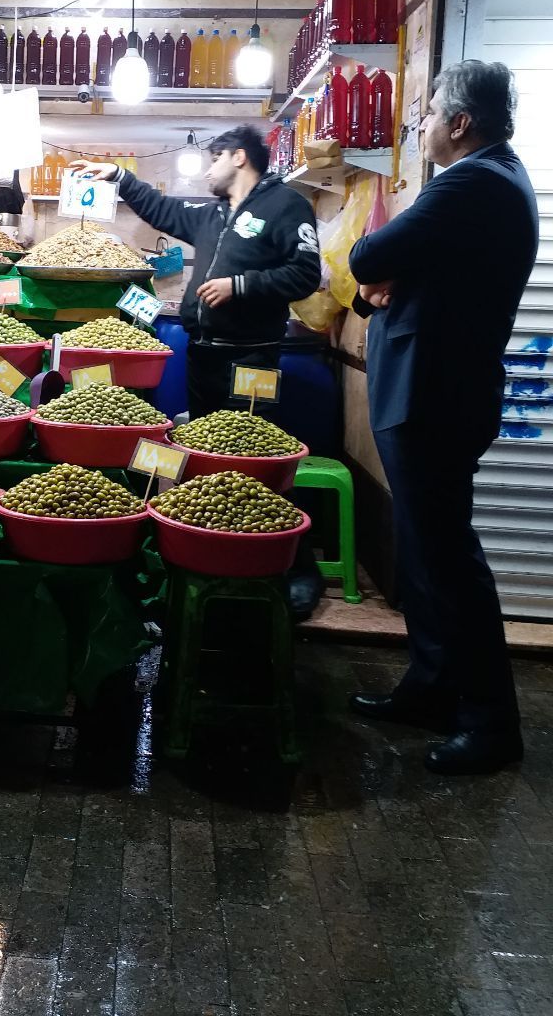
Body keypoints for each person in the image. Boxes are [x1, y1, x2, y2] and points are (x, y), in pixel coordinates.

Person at [349, 60, 538, 774]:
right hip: (431, 394)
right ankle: (432, 687)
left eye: (428, 113)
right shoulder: (492, 180)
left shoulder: (474, 182)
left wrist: (375, 275)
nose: (421, 125)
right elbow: (379, 280)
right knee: (426, 555)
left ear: (460, 123)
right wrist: (376, 285)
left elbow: (369, 254)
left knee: (450, 561)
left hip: (434, 398)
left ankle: (492, 723)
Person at [73, 125, 323, 616]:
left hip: (252, 359)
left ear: (238, 157)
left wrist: (240, 285)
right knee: (205, 462)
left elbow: (305, 273)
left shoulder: (286, 206)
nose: (208, 170)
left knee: (253, 463)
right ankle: (217, 558)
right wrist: (119, 177)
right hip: (204, 356)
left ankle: (295, 568)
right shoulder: (214, 214)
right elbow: (163, 209)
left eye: (213, 160)